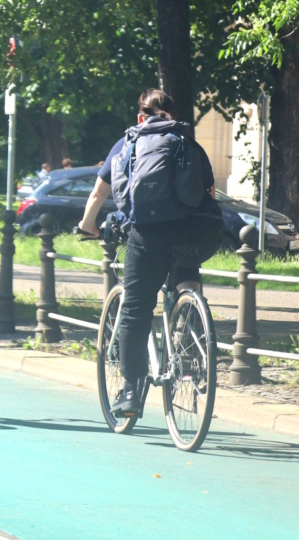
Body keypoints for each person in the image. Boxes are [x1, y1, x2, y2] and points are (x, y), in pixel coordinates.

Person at [77, 88, 222, 418]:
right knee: (186, 272)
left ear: (140, 116)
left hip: (149, 235)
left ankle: (130, 393)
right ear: (172, 113)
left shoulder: (128, 142)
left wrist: (87, 226)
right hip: (195, 232)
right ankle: (192, 331)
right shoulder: (188, 142)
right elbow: (209, 193)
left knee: (135, 307)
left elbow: (99, 194)